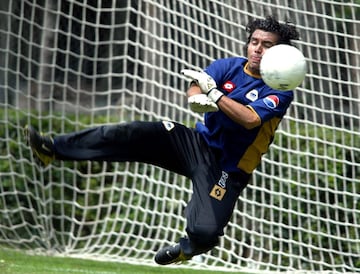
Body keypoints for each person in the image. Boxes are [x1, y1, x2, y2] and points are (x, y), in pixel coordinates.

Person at [24, 15, 300, 265]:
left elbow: (250, 119)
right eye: (254, 41)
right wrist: (196, 98)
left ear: (279, 53)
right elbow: (199, 83)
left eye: (266, 45)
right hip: (193, 143)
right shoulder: (229, 66)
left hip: (227, 168)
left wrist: (215, 96)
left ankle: (188, 247)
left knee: (205, 231)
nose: (257, 49)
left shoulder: (280, 90)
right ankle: (54, 149)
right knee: (133, 133)